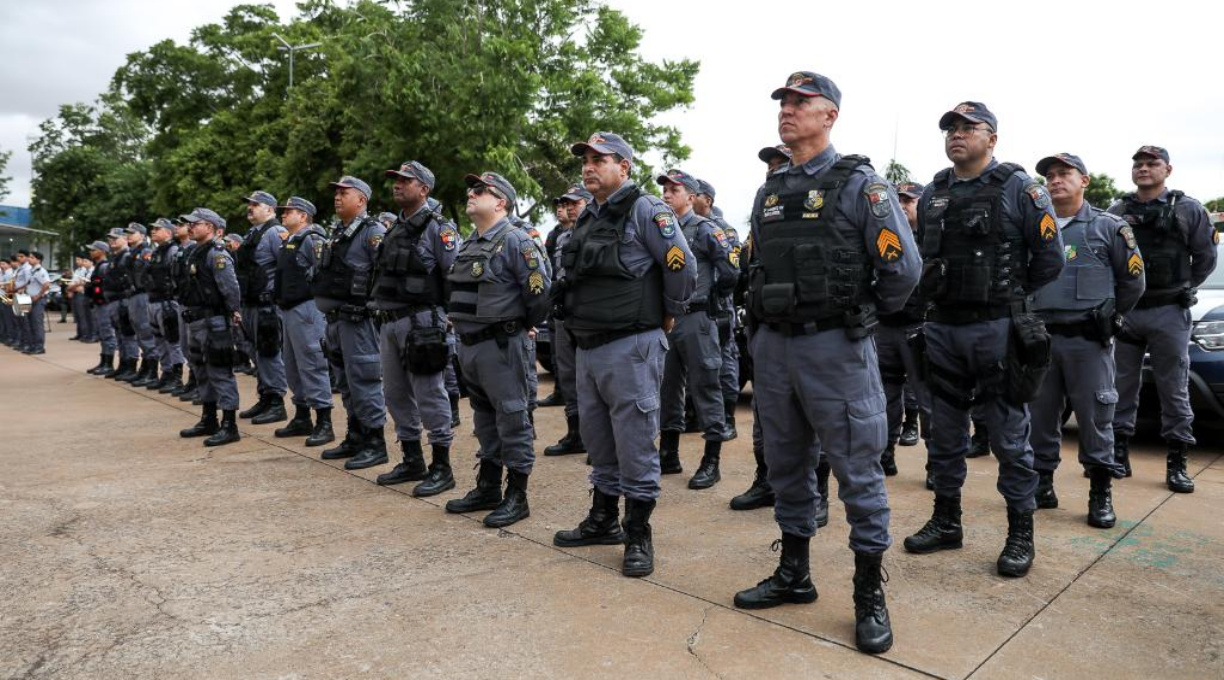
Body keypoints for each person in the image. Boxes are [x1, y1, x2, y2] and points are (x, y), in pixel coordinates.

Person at [733, 72, 918, 655]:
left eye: (800, 102)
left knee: (857, 470)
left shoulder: (862, 185)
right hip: (777, 348)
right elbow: (757, 266)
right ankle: (795, 573)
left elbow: (904, 272)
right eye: (783, 103)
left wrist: (858, 316)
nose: (787, 111)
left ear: (829, 115)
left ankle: (869, 594)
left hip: (837, 348)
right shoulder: (769, 191)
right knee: (785, 463)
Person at [904, 102, 1063, 580]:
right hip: (944, 329)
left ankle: (1020, 532)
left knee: (1010, 438)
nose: (957, 134)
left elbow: (1049, 258)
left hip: (997, 329)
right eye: (951, 127)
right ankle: (947, 521)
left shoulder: (1020, 188)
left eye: (969, 127)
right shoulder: (933, 191)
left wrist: (1008, 298)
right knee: (945, 435)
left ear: (991, 138)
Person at [552, 132, 696, 578]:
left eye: (600, 159)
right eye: (586, 160)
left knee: (634, 443)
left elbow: (682, 267)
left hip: (631, 346)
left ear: (625, 167)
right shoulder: (588, 218)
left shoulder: (646, 209)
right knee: (598, 442)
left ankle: (638, 533)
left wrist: (668, 315)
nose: (589, 166)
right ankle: (603, 518)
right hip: (590, 348)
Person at [1030, 153, 1144, 528]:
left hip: (1088, 342)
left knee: (1096, 418)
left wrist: (1110, 317)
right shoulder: (1037, 227)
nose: (1055, 180)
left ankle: (1100, 493)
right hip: (1043, 340)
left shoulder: (1108, 228)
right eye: (1050, 175)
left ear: (1085, 181)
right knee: (1040, 417)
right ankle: (1042, 485)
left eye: (1064, 173)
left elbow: (1133, 281)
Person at [443, 172, 550, 528]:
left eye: (480, 191)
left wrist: (519, 325)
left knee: (513, 418)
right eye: (470, 188)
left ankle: (517, 495)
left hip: (502, 346)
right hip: (471, 348)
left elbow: (538, 293)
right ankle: (488, 486)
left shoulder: (516, 241)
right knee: (485, 420)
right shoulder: (470, 243)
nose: (470, 194)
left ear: (501, 201)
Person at [1108, 145, 1218, 492]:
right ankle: (1118, 454)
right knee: (1119, 387)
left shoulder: (1188, 209)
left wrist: (1184, 287)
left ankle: (1177, 462)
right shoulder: (1118, 210)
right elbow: (1109, 257)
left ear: (1167, 170)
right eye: (1138, 164)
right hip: (1128, 312)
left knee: (1174, 387)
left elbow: (1205, 257)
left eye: (1151, 163)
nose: (1143, 168)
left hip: (1169, 310)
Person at [370, 161, 459, 495]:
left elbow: (454, 273)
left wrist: (450, 318)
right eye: (395, 180)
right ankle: (412, 459)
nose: (397, 185)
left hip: (423, 321)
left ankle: (442, 465)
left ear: (424, 189)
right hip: (391, 321)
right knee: (394, 393)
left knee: (429, 393)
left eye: (406, 181)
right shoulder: (393, 228)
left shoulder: (438, 228)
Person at [655, 169, 737, 489]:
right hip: (669, 319)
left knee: (706, 386)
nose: (665, 195)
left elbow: (730, 270)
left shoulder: (704, 229)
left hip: (698, 318)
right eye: (664, 190)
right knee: (668, 387)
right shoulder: (661, 229)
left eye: (673, 190)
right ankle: (669, 454)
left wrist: (711, 300)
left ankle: (711, 460)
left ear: (690, 197)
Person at [312, 176, 389, 469]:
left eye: (345, 193)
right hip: (335, 320)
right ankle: (355, 436)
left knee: (365, 380)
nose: (337, 197)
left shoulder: (373, 232)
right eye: (336, 193)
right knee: (345, 382)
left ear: (362, 200)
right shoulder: (339, 233)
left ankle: (375, 442)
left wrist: (373, 308)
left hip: (359, 321)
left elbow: (383, 275)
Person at [875, 181, 932, 477]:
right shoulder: (885, 237)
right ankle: (885, 454)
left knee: (930, 398)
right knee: (884, 396)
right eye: (898, 200)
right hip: (885, 328)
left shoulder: (935, 239)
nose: (902, 205)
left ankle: (936, 463)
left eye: (909, 201)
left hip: (921, 328)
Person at [270, 196, 336, 447]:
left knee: (312, 362)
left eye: (289, 211)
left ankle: (324, 420)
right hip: (290, 309)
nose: (283, 214)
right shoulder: (292, 240)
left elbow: (322, 271)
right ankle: (301, 415)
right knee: (292, 365)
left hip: (307, 309)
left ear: (303, 216)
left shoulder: (312, 239)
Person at [177, 208, 244, 447]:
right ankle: (209, 418)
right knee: (200, 370)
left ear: (212, 228)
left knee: (219, 370)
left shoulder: (217, 254)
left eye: (197, 223)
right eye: (190, 223)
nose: (191, 227)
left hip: (214, 321)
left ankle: (229, 424)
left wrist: (234, 312)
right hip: (195, 319)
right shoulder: (194, 252)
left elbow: (230, 287)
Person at [542, 183, 593, 458]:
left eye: (575, 202)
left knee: (593, 378)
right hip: (565, 315)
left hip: (589, 316)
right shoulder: (561, 237)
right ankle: (575, 434)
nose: (570, 207)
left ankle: (597, 438)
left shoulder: (597, 232)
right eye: (567, 203)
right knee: (568, 375)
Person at [693, 180, 744, 440]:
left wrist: (717, 295)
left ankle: (728, 418)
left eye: (696, 195)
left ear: (708, 201)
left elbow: (731, 271)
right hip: (695, 311)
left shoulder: (723, 230)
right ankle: (694, 415)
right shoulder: (685, 226)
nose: (690, 198)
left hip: (719, 308)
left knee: (724, 362)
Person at [235, 191, 290, 424]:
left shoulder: (275, 233)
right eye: (249, 204)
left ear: (270, 209)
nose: (250, 208)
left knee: (269, 352)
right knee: (258, 354)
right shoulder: (252, 234)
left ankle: (276, 402)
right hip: (250, 304)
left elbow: (286, 267)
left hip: (267, 305)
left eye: (255, 204)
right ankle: (265, 397)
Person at [140, 219, 188, 391]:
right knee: (159, 340)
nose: (153, 231)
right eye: (152, 228)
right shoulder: (156, 251)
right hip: (154, 301)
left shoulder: (172, 250)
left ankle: (176, 377)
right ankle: (166, 373)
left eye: (157, 229)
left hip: (167, 302)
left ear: (168, 232)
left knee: (172, 340)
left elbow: (175, 276)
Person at [121, 223, 160, 385]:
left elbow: (148, 274)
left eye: (132, 233)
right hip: (133, 295)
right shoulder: (131, 253)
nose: (129, 235)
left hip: (142, 295)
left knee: (145, 331)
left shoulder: (146, 251)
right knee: (138, 331)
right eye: (127, 233)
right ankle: (145, 368)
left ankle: (151, 371)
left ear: (142, 235)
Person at [84, 243, 117, 374]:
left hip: (104, 304)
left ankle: (108, 363)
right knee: (102, 333)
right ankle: (103, 361)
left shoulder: (104, 266)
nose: (91, 252)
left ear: (103, 251)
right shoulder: (98, 266)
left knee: (107, 334)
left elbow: (104, 285)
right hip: (98, 303)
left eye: (94, 250)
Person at [19, 251, 51, 354]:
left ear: (38, 260)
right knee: (31, 323)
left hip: (38, 300)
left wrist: (38, 295)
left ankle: (39, 346)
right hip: (29, 299)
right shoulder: (32, 271)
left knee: (37, 323)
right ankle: (33, 345)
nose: (29, 259)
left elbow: (46, 284)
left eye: (32, 258)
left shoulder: (41, 271)